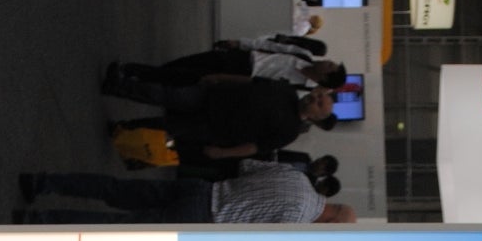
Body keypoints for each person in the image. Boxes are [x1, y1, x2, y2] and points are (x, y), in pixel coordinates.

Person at [101, 63, 335, 160]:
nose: (314, 98)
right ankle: (119, 86)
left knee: (166, 126)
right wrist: (220, 77)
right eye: (318, 96)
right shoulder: (288, 91)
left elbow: (255, 147)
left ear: (315, 117)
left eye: (319, 103)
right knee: (166, 95)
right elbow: (252, 81)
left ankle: (123, 130)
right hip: (214, 97)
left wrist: (224, 153)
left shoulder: (290, 132)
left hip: (214, 128)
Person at [14, 161, 357, 225]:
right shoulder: (296, 221)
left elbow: (247, 167)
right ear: (330, 225)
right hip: (201, 218)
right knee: (115, 225)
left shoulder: (297, 177)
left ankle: (42, 181)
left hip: (202, 189)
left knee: (117, 189)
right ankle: (38, 220)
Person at [120, 47, 347, 92]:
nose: (326, 61)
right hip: (241, 58)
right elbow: (272, 46)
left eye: (330, 65)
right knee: (186, 63)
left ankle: (133, 73)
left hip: (239, 77)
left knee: (185, 77)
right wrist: (240, 43)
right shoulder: (303, 55)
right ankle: (142, 75)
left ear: (325, 76)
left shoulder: (299, 89)